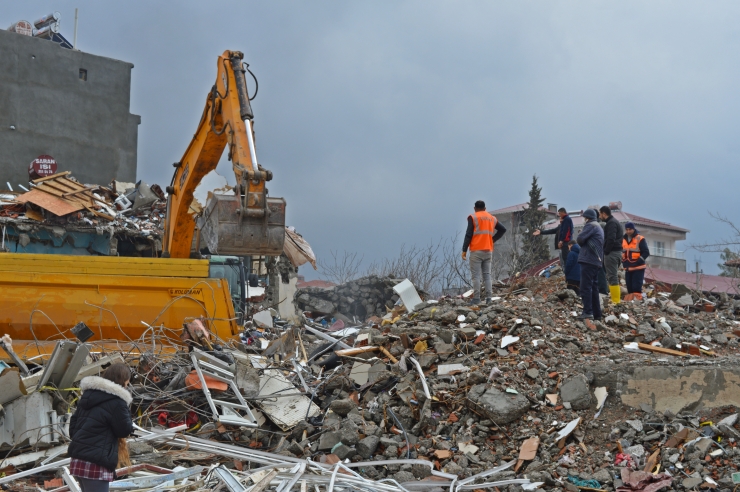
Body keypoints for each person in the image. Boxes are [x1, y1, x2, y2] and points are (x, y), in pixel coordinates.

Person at [69, 363, 134, 492]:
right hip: (96, 463)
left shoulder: (88, 397)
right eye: (127, 381)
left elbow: (73, 427)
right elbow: (124, 430)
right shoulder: (117, 402)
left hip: (78, 460)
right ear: (124, 381)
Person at [462, 200, 506, 305]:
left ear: (475, 208)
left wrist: (464, 249)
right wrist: (493, 239)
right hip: (488, 250)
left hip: (476, 251)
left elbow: (468, 234)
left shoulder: (473, 217)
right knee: (487, 275)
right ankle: (489, 298)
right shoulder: (492, 218)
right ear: (485, 208)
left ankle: (476, 298)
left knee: (476, 276)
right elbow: (503, 229)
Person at [576, 208, 604, 320]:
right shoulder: (599, 227)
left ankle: (587, 312)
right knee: (594, 288)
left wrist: (582, 234)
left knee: (585, 287)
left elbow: (580, 239)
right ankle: (597, 314)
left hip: (588, 259)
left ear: (587, 217)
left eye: (584, 217)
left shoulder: (590, 225)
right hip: (596, 261)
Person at [599, 206, 624, 304]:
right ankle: (615, 300)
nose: (600, 216)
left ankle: (616, 301)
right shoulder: (614, 222)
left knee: (612, 277)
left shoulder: (611, 223)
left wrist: (606, 251)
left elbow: (611, 239)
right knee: (612, 276)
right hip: (616, 253)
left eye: (600, 214)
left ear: (604, 214)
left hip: (612, 253)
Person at [622, 222, 650, 299]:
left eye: (630, 229)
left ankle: (637, 304)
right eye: (626, 229)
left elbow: (646, 252)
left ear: (633, 229)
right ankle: (631, 304)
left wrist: (639, 261)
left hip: (638, 268)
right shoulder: (623, 239)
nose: (628, 231)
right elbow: (622, 252)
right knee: (630, 288)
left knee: (636, 288)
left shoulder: (640, 238)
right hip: (628, 268)